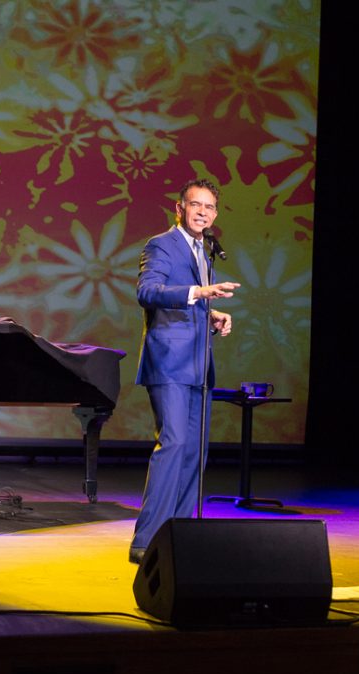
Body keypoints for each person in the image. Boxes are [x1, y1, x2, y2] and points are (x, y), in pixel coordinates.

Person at [129, 178, 240, 563]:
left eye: (209, 207)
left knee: (195, 452)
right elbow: (147, 292)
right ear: (180, 208)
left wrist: (212, 315)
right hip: (170, 363)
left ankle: (178, 537)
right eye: (196, 205)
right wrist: (199, 292)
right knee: (174, 443)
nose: (202, 213)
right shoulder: (162, 244)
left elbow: (193, 304)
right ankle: (146, 541)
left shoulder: (204, 253)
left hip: (198, 365)